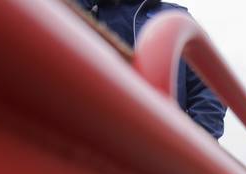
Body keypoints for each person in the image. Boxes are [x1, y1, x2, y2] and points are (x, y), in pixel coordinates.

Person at [79, 0, 226, 139]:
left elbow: (209, 88)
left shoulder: (174, 18)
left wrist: (195, 142)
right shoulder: (85, 10)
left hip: (157, 142)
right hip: (92, 138)